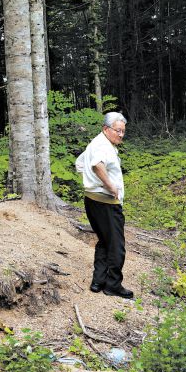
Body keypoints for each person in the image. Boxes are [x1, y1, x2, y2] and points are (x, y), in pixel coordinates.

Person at [75, 112, 134, 299]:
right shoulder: (102, 146)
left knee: (104, 240)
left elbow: (79, 164)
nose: (121, 134)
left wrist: (91, 183)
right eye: (118, 131)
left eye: (123, 131)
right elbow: (97, 165)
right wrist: (110, 186)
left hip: (92, 199)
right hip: (106, 202)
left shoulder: (97, 143)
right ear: (106, 129)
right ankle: (113, 285)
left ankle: (98, 281)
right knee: (117, 245)